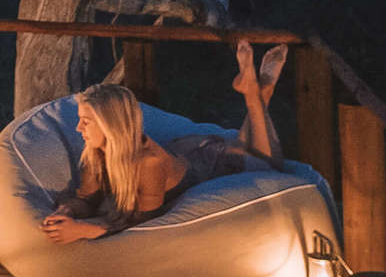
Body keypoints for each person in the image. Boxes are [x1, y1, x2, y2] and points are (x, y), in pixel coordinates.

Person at [40, 40, 288, 244]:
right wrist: (68, 212)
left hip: (207, 163)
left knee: (266, 164)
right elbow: (86, 200)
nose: (78, 128)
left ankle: (258, 97)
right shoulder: (94, 154)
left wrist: (83, 229)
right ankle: (257, 92)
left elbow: (143, 223)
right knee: (252, 149)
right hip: (183, 149)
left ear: (110, 125)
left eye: (86, 121)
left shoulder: (148, 163)